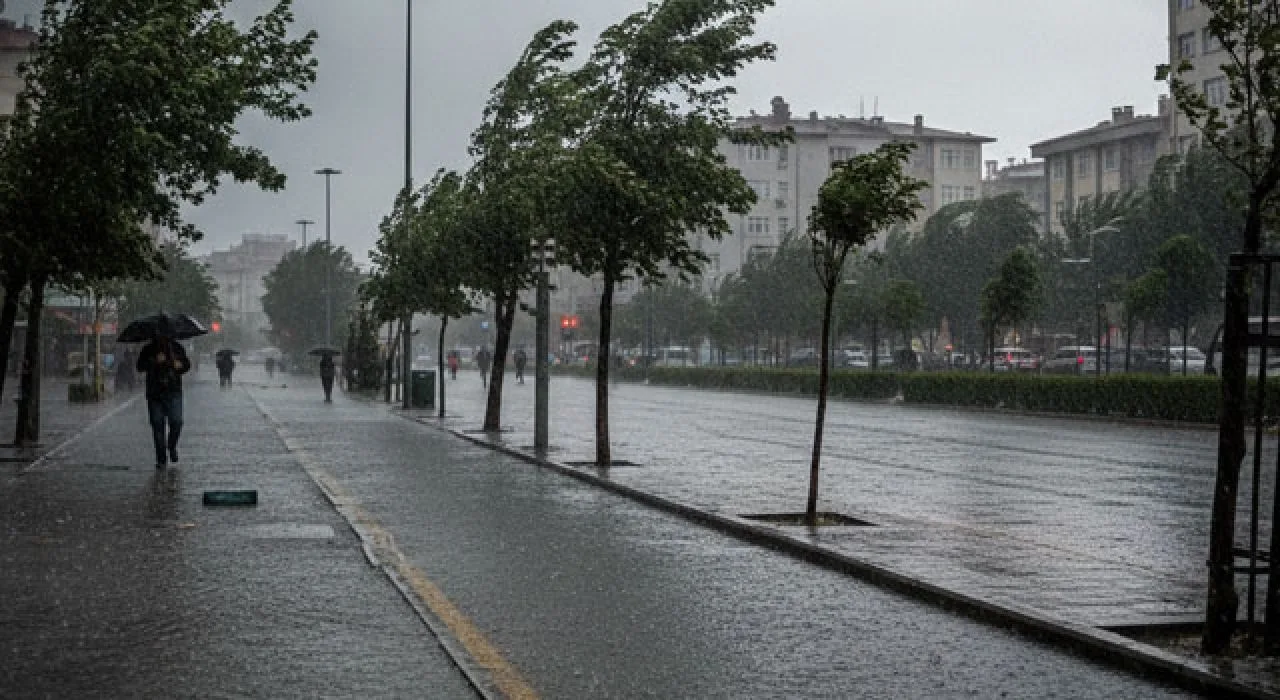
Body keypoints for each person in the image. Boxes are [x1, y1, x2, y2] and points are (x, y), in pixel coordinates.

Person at [137, 334, 190, 469]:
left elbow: (186, 365)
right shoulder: (148, 349)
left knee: (177, 421)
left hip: (173, 392)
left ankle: (171, 446)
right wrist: (154, 361)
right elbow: (140, 366)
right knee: (157, 426)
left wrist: (180, 365)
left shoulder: (177, 347)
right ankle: (161, 459)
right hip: (155, 394)